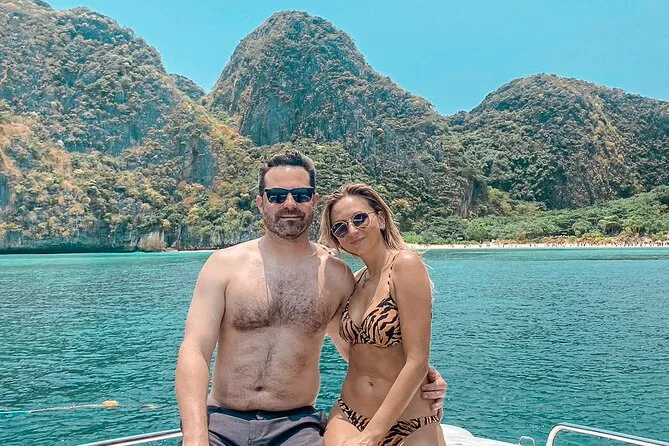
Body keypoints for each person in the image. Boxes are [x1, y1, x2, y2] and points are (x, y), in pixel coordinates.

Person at [175, 151, 446, 446]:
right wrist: (195, 437)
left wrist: (424, 378)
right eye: (277, 196)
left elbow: (363, 348)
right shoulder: (223, 265)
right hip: (223, 421)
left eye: (301, 195)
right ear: (260, 202)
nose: (289, 204)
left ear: (314, 201)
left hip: (296, 427)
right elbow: (194, 349)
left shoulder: (336, 276)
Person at [319, 184, 446, 446]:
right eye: (340, 228)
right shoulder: (354, 282)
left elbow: (417, 359)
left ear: (380, 218)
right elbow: (359, 352)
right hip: (350, 416)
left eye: (359, 219)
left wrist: (372, 435)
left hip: (411, 423)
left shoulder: (405, 265)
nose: (352, 230)